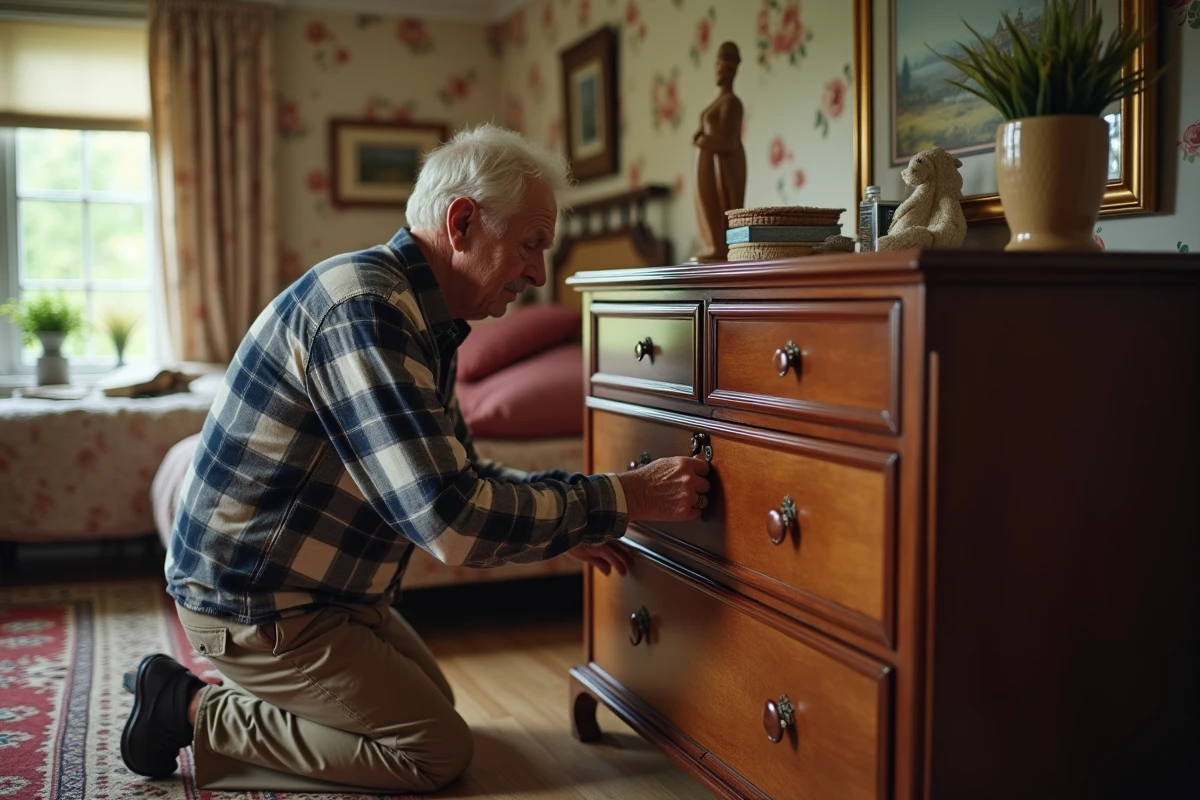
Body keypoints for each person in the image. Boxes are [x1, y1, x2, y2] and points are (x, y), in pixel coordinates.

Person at [118, 123, 711, 794]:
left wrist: (569, 525)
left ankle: (259, 696)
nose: (538, 274)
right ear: (462, 223)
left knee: (430, 707)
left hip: (321, 591)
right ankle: (187, 706)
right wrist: (623, 497)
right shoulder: (369, 311)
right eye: (530, 245)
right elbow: (451, 523)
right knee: (432, 750)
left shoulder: (422, 317)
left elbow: (463, 475)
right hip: (257, 604)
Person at [691, 41, 747, 263]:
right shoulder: (719, 101)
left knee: (721, 215)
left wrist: (703, 139)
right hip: (708, 166)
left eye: (723, 65)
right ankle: (712, 244)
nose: (718, 69)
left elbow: (729, 143)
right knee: (705, 211)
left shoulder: (732, 103)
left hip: (724, 168)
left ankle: (720, 247)